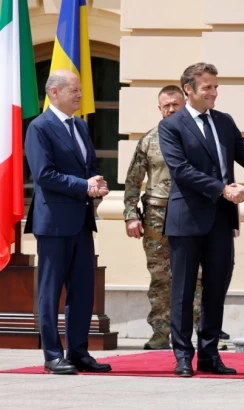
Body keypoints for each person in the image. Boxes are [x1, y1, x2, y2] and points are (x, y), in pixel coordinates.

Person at [158, 62, 244, 377]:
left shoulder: (224, 122)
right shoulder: (171, 126)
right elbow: (181, 170)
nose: (213, 93)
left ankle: (210, 355)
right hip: (186, 219)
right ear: (189, 89)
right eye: (207, 87)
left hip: (221, 220)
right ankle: (183, 356)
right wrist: (222, 189)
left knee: (216, 289)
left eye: (215, 87)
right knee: (183, 293)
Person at [123, 85, 231, 350]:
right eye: (166, 106)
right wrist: (130, 216)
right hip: (156, 217)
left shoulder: (199, 137)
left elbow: (219, 176)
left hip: (193, 213)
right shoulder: (149, 140)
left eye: (175, 104)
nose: (171, 109)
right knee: (160, 276)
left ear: (184, 103)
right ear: (159, 109)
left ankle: (201, 332)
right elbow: (133, 181)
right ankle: (161, 332)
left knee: (197, 276)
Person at [24, 69, 112, 375]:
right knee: (50, 291)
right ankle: (52, 354)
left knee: (83, 290)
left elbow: (90, 164)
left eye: (80, 90)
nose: (80, 95)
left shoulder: (80, 127)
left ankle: (78, 351)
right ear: (54, 92)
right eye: (74, 90)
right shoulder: (40, 127)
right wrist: (83, 186)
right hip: (53, 223)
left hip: (81, 221)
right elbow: (44, 175)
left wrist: (97, 182)